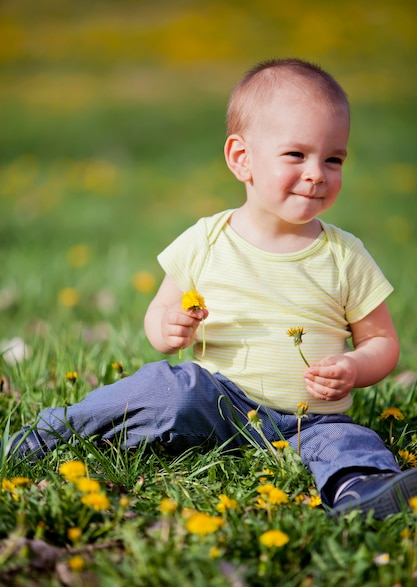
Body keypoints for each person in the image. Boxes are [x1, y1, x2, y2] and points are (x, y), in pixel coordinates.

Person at [7, 58, 417, 519]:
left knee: (350, 439)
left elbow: (382, 341)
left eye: (334, 158)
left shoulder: (345, 254)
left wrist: (354, 366)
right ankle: (51, 434)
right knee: (167, 389)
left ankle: (363, 488)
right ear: (242, 159)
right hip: (218, 400)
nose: (317, 172)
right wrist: (170, 327)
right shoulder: (206, 239)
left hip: (313, 418)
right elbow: (158, 319)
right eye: (296, 155)